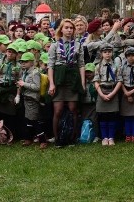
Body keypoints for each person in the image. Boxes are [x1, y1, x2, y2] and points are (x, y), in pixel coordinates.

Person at [47, 19, 86, 147]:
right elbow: (50, 65)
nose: (69, 30)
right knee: (57, 110)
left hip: (72, 77)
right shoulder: (55, 45)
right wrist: (51, 83)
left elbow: (81, 64)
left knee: (73, 109)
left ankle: (72, 137)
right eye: (67, 27)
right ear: (61, 29)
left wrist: (83, 83)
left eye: (71, 28)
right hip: (59, 77)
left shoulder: (78, 45)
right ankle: (57, 138)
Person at [93, 43, 122, 146]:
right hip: (102, 91)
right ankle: (104, 137)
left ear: (112, 53)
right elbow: (96, 81)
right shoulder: (98, 66)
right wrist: (101, 94)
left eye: (109, 52)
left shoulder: (116, 66)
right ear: (101, 54)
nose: (107, 54)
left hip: (113, 91)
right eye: (105, 52)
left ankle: (111, 137)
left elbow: (119, 81)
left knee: (112, 115)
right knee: (103, 115)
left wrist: (113, 93)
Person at [15, 52, 43, 148]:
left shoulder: (35, 73)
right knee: (28, 120)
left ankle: (42, 140)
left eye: (25, 62)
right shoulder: (24, 72)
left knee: (34, 120)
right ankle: (28, 138)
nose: (23, 63)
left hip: (33, 99)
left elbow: (37, 87)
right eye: (22, 61)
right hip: (26, 98)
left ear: (32, 62)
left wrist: (24, 84)